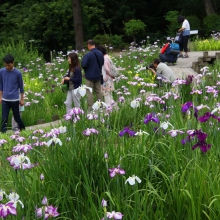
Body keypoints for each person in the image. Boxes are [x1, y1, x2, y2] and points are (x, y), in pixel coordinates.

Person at [0, 54, 25, 133]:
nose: (7, 67)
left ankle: (23, 130)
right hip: (5, 99)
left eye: (9, 65)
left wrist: (22, 99)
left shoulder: (18, 73)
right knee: (4, 118)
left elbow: (21, 87)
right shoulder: (1, 71)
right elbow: (1, 85)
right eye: (6, 65)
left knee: (17, 117)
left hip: (14, 99)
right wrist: (0, 97)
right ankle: (3, 134)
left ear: (13, 63)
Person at [81, 39, 104, 111]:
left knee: (89, 91)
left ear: (89, 45)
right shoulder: (100, 53)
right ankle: (100, 105)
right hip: (98, 75)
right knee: (98, 91)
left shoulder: (88, 55)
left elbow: (83, 64)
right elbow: (102, 63)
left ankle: (90, 107)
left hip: (90, 76)